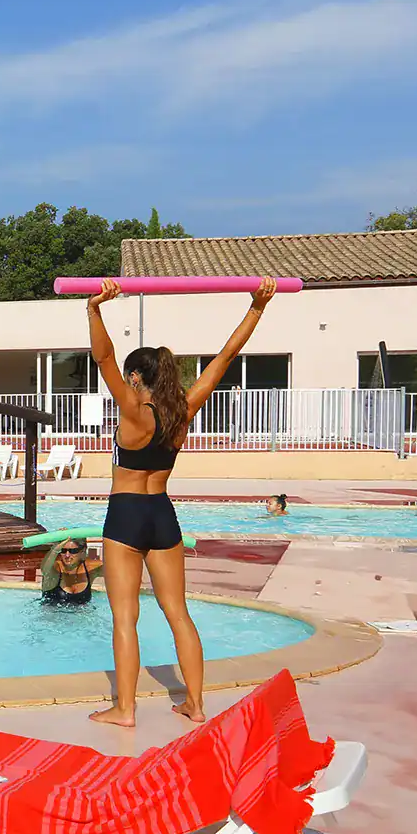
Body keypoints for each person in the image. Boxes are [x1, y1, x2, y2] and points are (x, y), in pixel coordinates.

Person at [87, 276, 277, 727]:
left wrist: (93, 310)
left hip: (127, 514)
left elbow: (103, 357)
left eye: (129, 376)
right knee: (179, 614)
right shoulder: (184, 411)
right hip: (163, 515)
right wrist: (257, 307)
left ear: (136, 378)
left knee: (124, 618)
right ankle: (194, 704)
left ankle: (126, 709)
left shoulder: (133, 414)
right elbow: (227, 357)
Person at [39, 538, 102, 607]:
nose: (67, 555)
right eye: (63, 550)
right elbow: (44, 569)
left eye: (73, 551)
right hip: (52, 615)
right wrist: (55, 548)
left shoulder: (90, 568)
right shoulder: (56, 568)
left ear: (83, 550)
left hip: (81, 616)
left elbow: (114, 568)